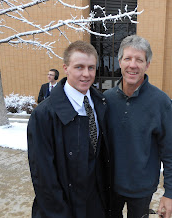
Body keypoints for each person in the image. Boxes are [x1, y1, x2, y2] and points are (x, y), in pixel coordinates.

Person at [27, 41, 111, 218]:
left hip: (96, 204)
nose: (86, 74)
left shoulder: (100, 104)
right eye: (79, 67)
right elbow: (43, 176)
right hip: (63, 208)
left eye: (91, 68)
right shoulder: (43, 114)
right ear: (65, 68)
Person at [104, 35, 172, 218]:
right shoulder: (106, 100)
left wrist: (169, 193)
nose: (133, 65)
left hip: (141, 190)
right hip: (109, 186)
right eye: (128, 58)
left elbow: (171, 151)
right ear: (120, 62)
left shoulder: (161, 102)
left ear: (147, 65)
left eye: (139, 59)